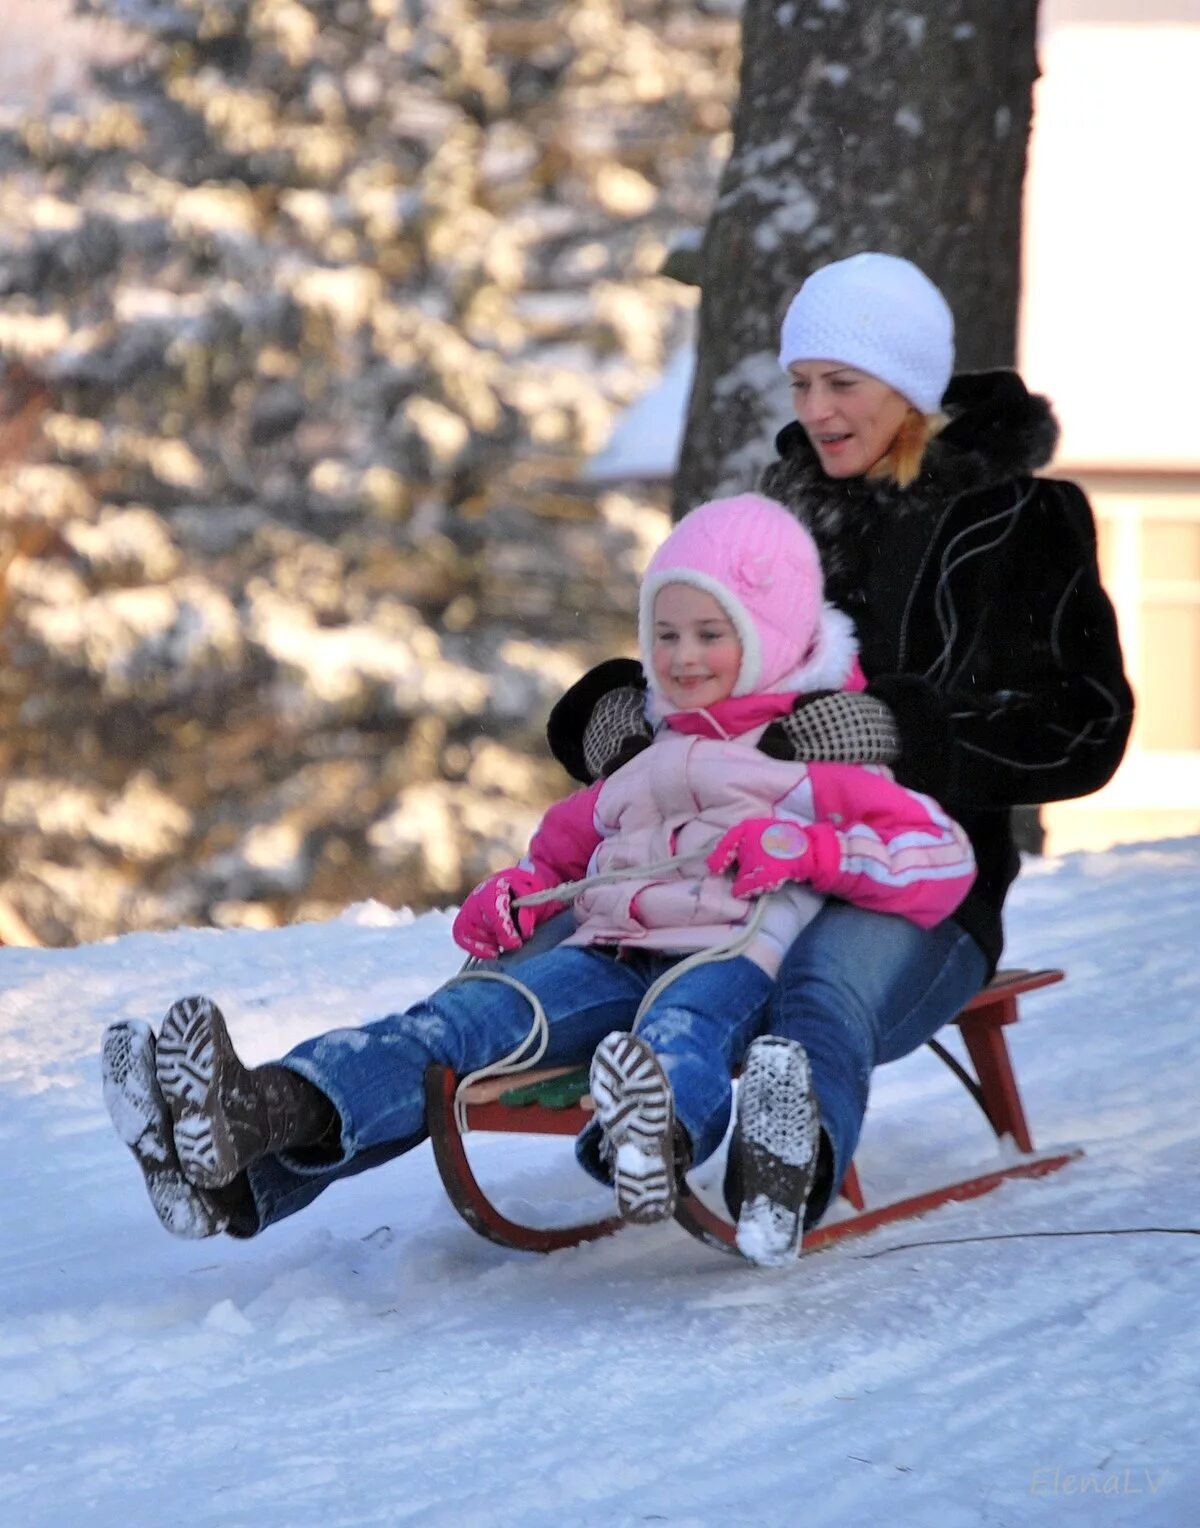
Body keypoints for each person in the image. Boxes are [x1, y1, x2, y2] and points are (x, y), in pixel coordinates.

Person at [100, 492, 976, 1264]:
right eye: (664, 634)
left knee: (680, 1035)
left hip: (732, 956)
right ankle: (256, 1111)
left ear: (773, 639)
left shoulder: (813, 757)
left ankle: (652, 1140)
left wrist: (811, 854)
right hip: (604, 953)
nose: (683, 656)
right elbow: (555, 856)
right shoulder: (636, 764)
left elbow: (939, 858)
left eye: (713, 634)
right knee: (454, 1024)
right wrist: (512, 895)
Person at [545, 251, 1134, 1258]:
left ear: (907, 385)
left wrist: (908, 735)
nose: (816, 409)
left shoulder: (1022, 519)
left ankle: (789, 1169)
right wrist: (616, 715)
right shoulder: (783, 518)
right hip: (739, 870)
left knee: (821, 986)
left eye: (842, 383)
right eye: (802, 383)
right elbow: (699, 660)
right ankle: (311, 1116)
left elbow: (1086, 728)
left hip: (914, 882)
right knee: (558, 958)